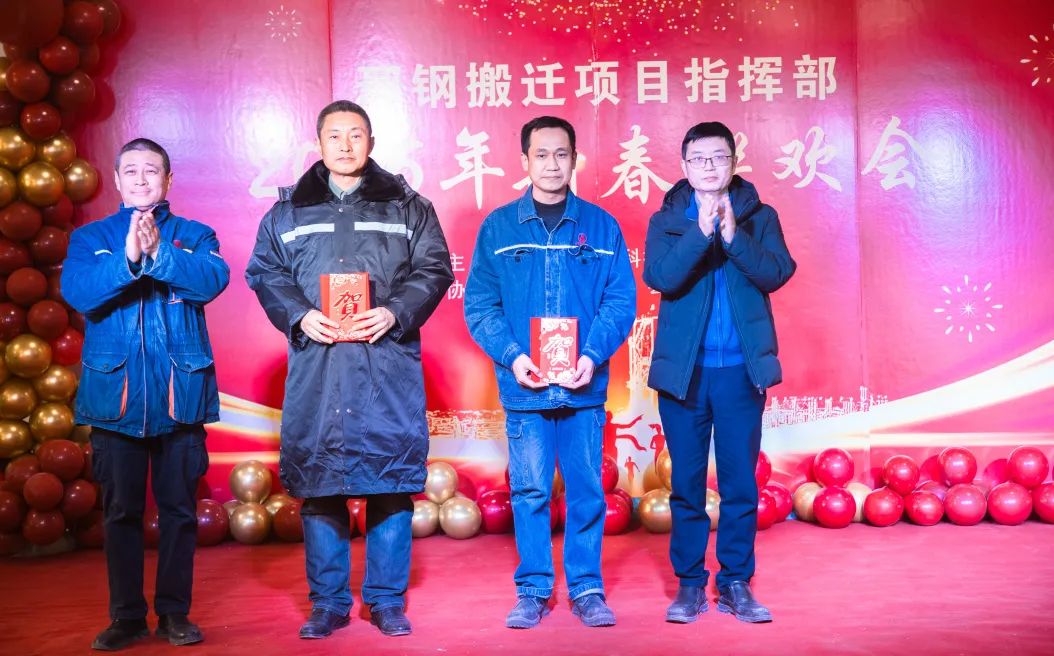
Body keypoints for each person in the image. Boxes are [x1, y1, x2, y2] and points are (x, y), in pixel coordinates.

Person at [245, 100, 453, 640]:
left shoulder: (407, 206)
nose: (345, 144)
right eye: (334, 135)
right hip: (319, 364)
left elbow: (434, 268)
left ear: (371, 142)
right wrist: (298, 315)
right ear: (318, 144)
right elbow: (264, 272)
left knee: (389, 485)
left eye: (355, 134)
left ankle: (386, 601)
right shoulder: (288, 213)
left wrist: (395, 311)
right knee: (321, 486)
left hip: (385, 363)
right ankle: (329, 602)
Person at [464, 116, 636, 629]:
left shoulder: (601, 227)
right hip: (525, 388)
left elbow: (619, 301)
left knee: (587, 492)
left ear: (574, 159)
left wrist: (592, 355)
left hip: (584, 387)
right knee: (531, 492)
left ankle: (586, 588)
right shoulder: (499, 229)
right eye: (541, 155)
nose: (552, 164)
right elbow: (480, 305)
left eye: (562, 154)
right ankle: (534, 589)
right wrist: (513, 355)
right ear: (525, 161)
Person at [62, 138, 230, 650]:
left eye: (151, 170)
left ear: (168, 180)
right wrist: (128, 257)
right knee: (120, 514)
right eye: (130, 171)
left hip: (180, 398)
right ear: (116, 180)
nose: (140, 179)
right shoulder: (91, 238)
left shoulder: (195, 235)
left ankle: (175, 613)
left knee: (180, 512)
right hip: (115, 400)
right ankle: (127, 616)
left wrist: (159, 253)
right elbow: (80, 293)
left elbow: (212, 281)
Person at [643, 121, 796, 624]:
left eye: (719, 157)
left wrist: (732, 235)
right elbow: (660, 277)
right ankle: (689, 584)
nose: (709, 166)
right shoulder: (667, 220)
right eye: (699, 158)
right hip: (684, 377)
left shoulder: (760, 216)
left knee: (739, 485)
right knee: (686, 485)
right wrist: (701, 232)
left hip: (740, 375)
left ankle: (735, 582)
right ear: (684, 167)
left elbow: (777, 272)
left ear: (734, 161)